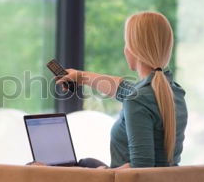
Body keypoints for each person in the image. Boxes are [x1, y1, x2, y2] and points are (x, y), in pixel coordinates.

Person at [56, 11, 187, 169]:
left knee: (40, 168)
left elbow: (140, 169)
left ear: (131, 50)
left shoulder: (138, 99)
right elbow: (122, 88)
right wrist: (80, 76)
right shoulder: (174, 92)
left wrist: (102, 173)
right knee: (85, 163)